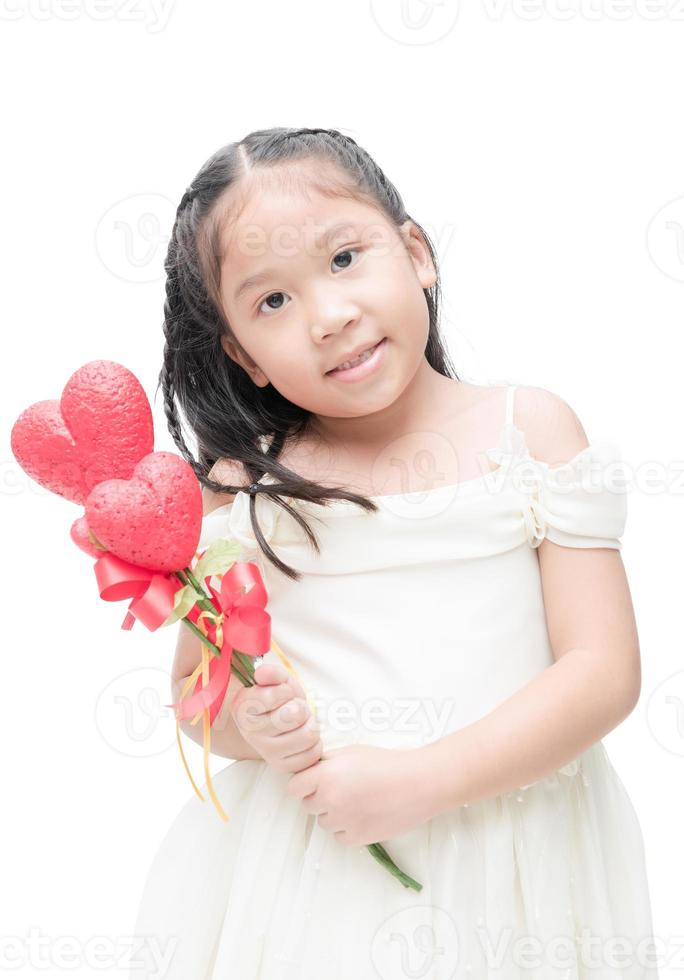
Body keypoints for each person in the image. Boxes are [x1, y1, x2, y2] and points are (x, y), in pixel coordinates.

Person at [130, 126, 658, 979]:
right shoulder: (244, 488)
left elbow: (602, 671)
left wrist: (422, 780)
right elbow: (199, 703)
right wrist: (253, 727)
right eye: (272, 302)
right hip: (317, 871)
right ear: (242, 356)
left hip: (516, 853)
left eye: (344, 258)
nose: (329, 315)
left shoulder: (529, 431)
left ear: (415, 252)